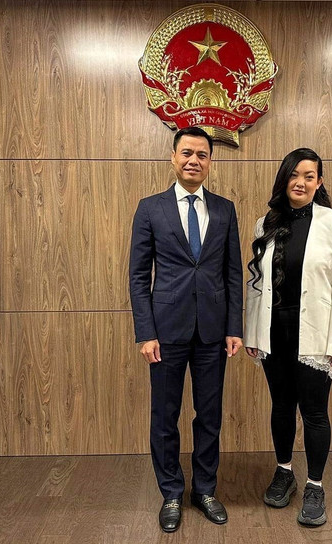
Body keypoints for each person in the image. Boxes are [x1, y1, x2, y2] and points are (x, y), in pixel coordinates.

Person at [129, 126, 243, 533]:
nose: (194, 160)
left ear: (210, 162)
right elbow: (139, 277)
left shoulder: (226, 209)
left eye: (202, 154)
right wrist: (146, 333)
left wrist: (234, 327)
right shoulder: (150, 208)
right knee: (165, 416)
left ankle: (205, 490)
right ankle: (172, 493)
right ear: (173, 158)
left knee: (209, 415)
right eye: (187, 152)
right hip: (165, 331)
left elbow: (232, 274)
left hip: (213, 331)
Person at [244, 147, 332, 527]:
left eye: (310, 176)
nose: (301, 182)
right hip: (273, 331)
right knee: (280, 406)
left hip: (316, 335)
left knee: (314, 411)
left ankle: (315, 485)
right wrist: (252, 333)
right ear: (284, 178)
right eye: (295, 174)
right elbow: (255, 287)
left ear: (319, 182)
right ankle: (284, 471)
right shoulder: (266, 223)